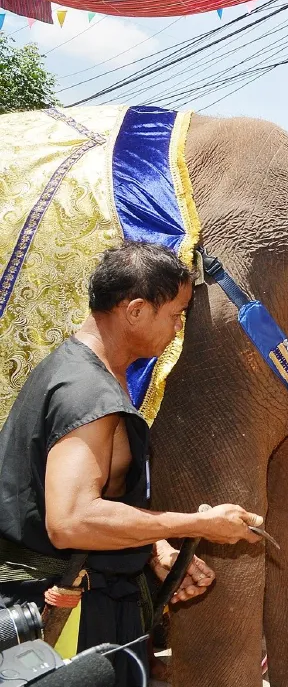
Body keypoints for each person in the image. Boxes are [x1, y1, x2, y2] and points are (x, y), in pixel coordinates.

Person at [0, 242, 263, 684]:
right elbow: (71, 520)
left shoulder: (85, 368)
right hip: (68, 616)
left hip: (87, 599)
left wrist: (154, 548)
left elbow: (100, 496)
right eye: (175, 315)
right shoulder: (87, 393)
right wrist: (198, 525)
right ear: (136, 310)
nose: (178, 329)